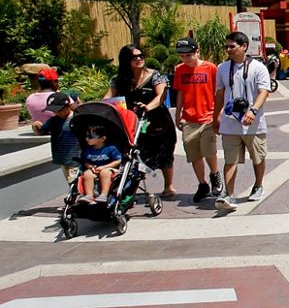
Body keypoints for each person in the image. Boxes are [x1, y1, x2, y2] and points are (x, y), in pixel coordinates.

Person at [106, 44, 177, 199]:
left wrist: (147, 107)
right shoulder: (119, 80)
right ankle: (130, 185)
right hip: (133, 124)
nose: (138, 59)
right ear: (125, 61)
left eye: (140, 56)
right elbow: (108, 99)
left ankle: (169, 186)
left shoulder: (155, 76)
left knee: (165, 154)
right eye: (133, 57)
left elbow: (161, 96)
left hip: (158, 122)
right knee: (136, 155)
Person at [213, 31, 272, 212]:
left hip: (254, 123)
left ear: (244, 46)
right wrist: (216, 117)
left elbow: (264, 91)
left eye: (233, 46)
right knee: (230, 160)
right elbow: (220, 94)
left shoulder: (258, 67)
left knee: (258, 157)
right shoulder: (222, 68)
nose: (228, 49)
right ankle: (229, 194)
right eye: (227, 46)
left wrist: (253, 111)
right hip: (231, 123)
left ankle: (258, 185)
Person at [172, 37, 223, 203]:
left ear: (197, 52)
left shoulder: (210, 68)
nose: (185, 59)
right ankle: (202, 184)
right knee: (194, 154)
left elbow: (218, 92)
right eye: (182, 56)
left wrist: (218, 113)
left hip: (207, 116)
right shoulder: (179, 70)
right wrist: (178, 113)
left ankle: (215, 174)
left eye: (188, 55)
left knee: (209, 150)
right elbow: (179, 92)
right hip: (189, 118)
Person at [32, 91, 80, 186]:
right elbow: (41, 131)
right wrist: (36, 127)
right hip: (62, 159)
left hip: (76, 158)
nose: (57, 113)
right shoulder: (54, 121)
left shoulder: (77, 118)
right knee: (70, 183)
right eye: (54, 111)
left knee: (75, 183)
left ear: (68, 106)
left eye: (59, 110)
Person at [78, 125, 122, 204]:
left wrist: (104, 167)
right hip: (95, 169)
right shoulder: (88, 150)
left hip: (110, 169)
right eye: (87, 136)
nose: (87, 139)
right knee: (87, 173)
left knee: (105, 172)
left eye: (90, 136)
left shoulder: (111, 148)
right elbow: (86, 162)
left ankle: (103, 194)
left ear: (102, 138)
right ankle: (89, 195)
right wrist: (91, 167)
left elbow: (118, 160)